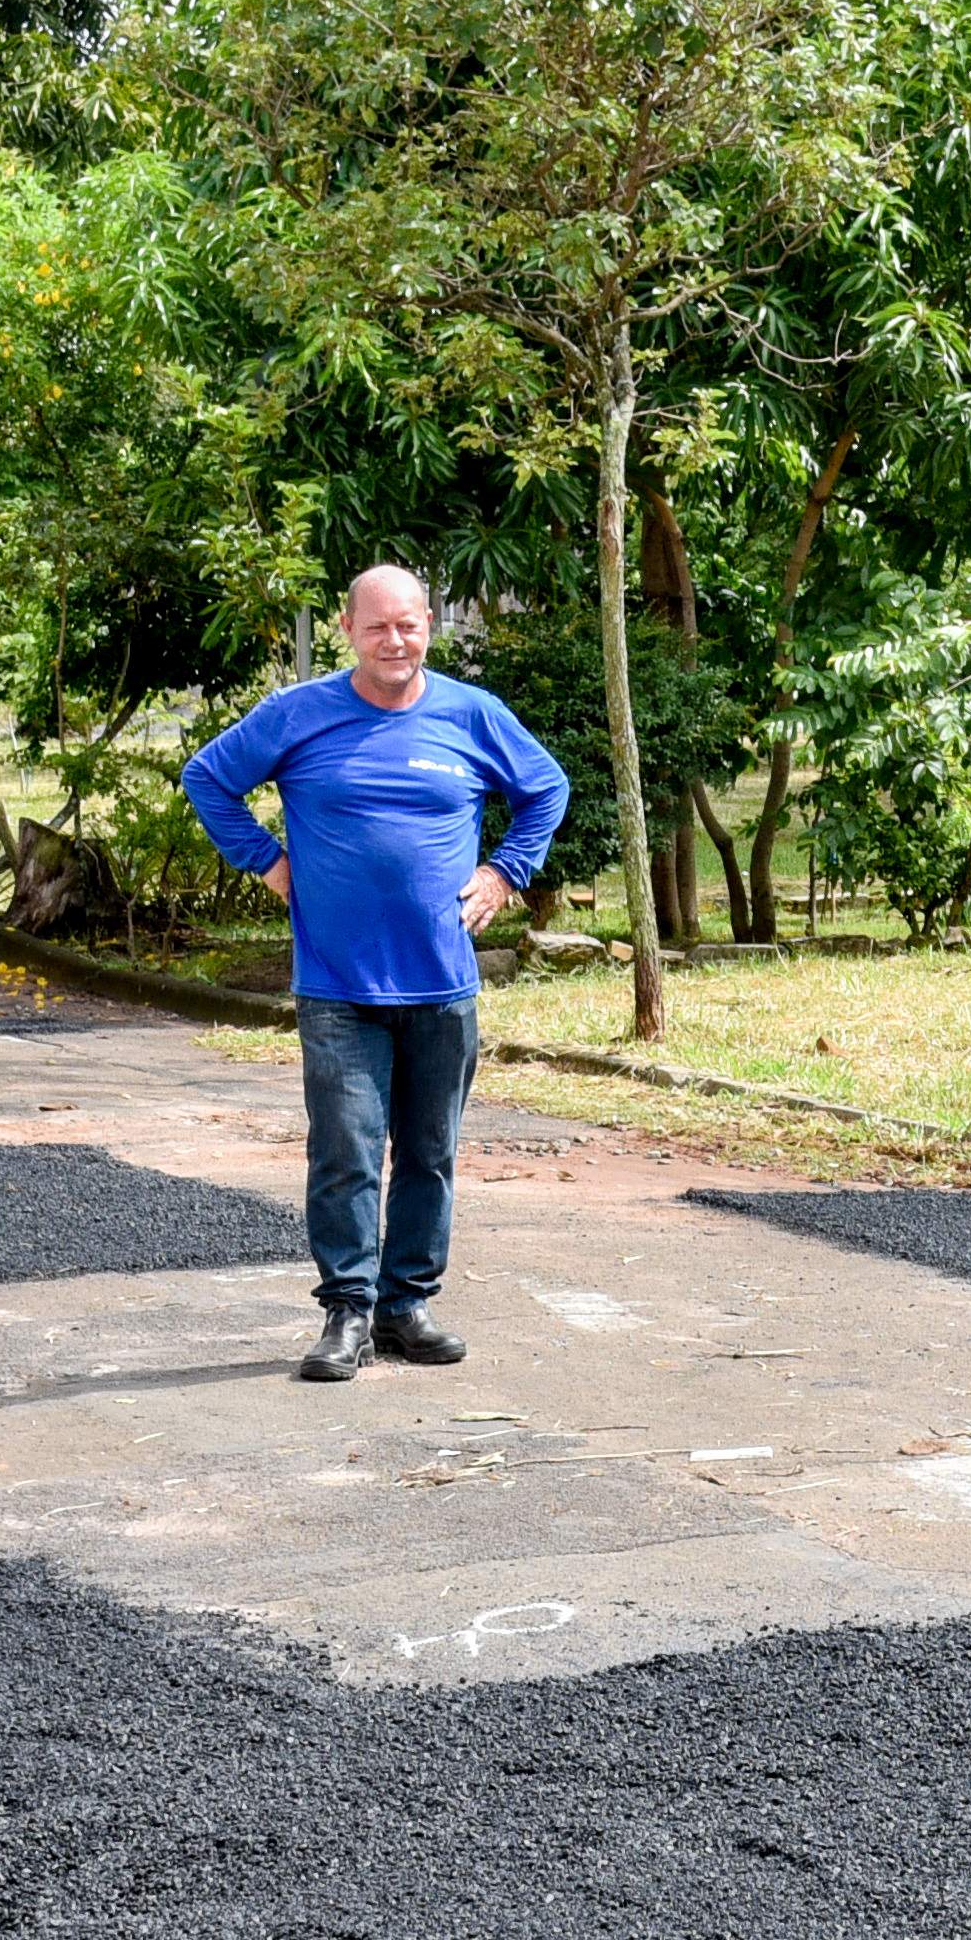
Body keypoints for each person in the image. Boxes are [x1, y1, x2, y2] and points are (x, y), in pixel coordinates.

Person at [181, 569, 572, 1382]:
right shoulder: (300, 713)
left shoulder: (472, 714)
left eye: (409, 626)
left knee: (430, 1153)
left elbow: (545, 789)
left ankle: (406, 1306)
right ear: (347, 629)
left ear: (429, 624)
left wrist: (505, 873)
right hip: (338, 984)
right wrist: (267, 862)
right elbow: (207, 779)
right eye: (377, 628)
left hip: (441, 982)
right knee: (348, 1152)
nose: (395, 642)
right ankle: (347, 1311)